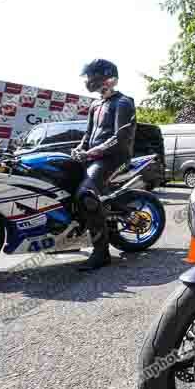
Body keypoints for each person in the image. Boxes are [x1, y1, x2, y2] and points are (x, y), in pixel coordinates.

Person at [71, 59, 136, 271]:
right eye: (88, 77)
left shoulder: (124, 102)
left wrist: (93, 152)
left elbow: (120, 137)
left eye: (93, 77)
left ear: (107, 77)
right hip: (94, 157)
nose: (89, 81)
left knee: (86, 195)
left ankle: (101, 253)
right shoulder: (95, 105)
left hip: (114, 158)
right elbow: (88, 134)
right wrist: (79, 148)